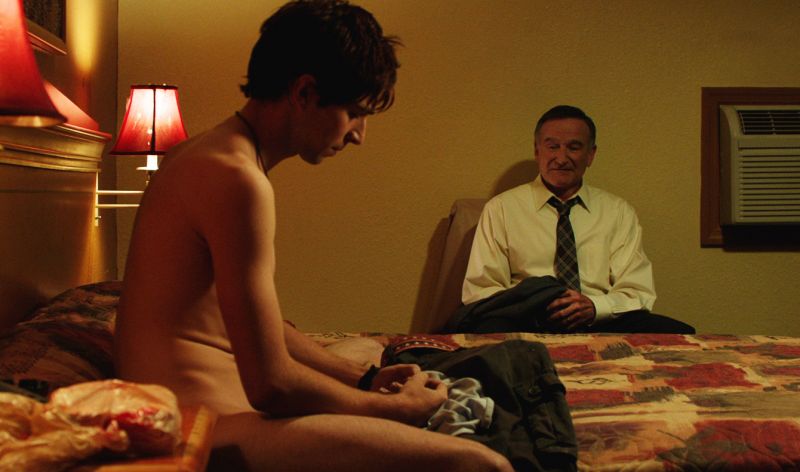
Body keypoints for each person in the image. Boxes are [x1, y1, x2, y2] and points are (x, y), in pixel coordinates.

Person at [113, 1, 512, 471]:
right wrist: (391, 409)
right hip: (199, 428)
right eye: (354, 113)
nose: (360, 135)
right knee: (480, 462)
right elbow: (272, 386)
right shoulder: (235, 180)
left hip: (217, 394)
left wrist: (364, 379)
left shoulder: (206, 153)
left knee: (367, 352)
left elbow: (252, 324)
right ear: (304, 92)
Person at [461, 105, 694, 334]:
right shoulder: (501, 209)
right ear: (537, 151)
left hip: (599, 320)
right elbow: (480, 291)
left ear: (590, 154)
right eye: (552, 146)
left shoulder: (618, 211)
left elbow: (637, 291)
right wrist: (536, 304)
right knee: (487, 329)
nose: (561, 158)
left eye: (574, 147)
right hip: (529, 319)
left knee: (678, 332)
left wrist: (594, 307)